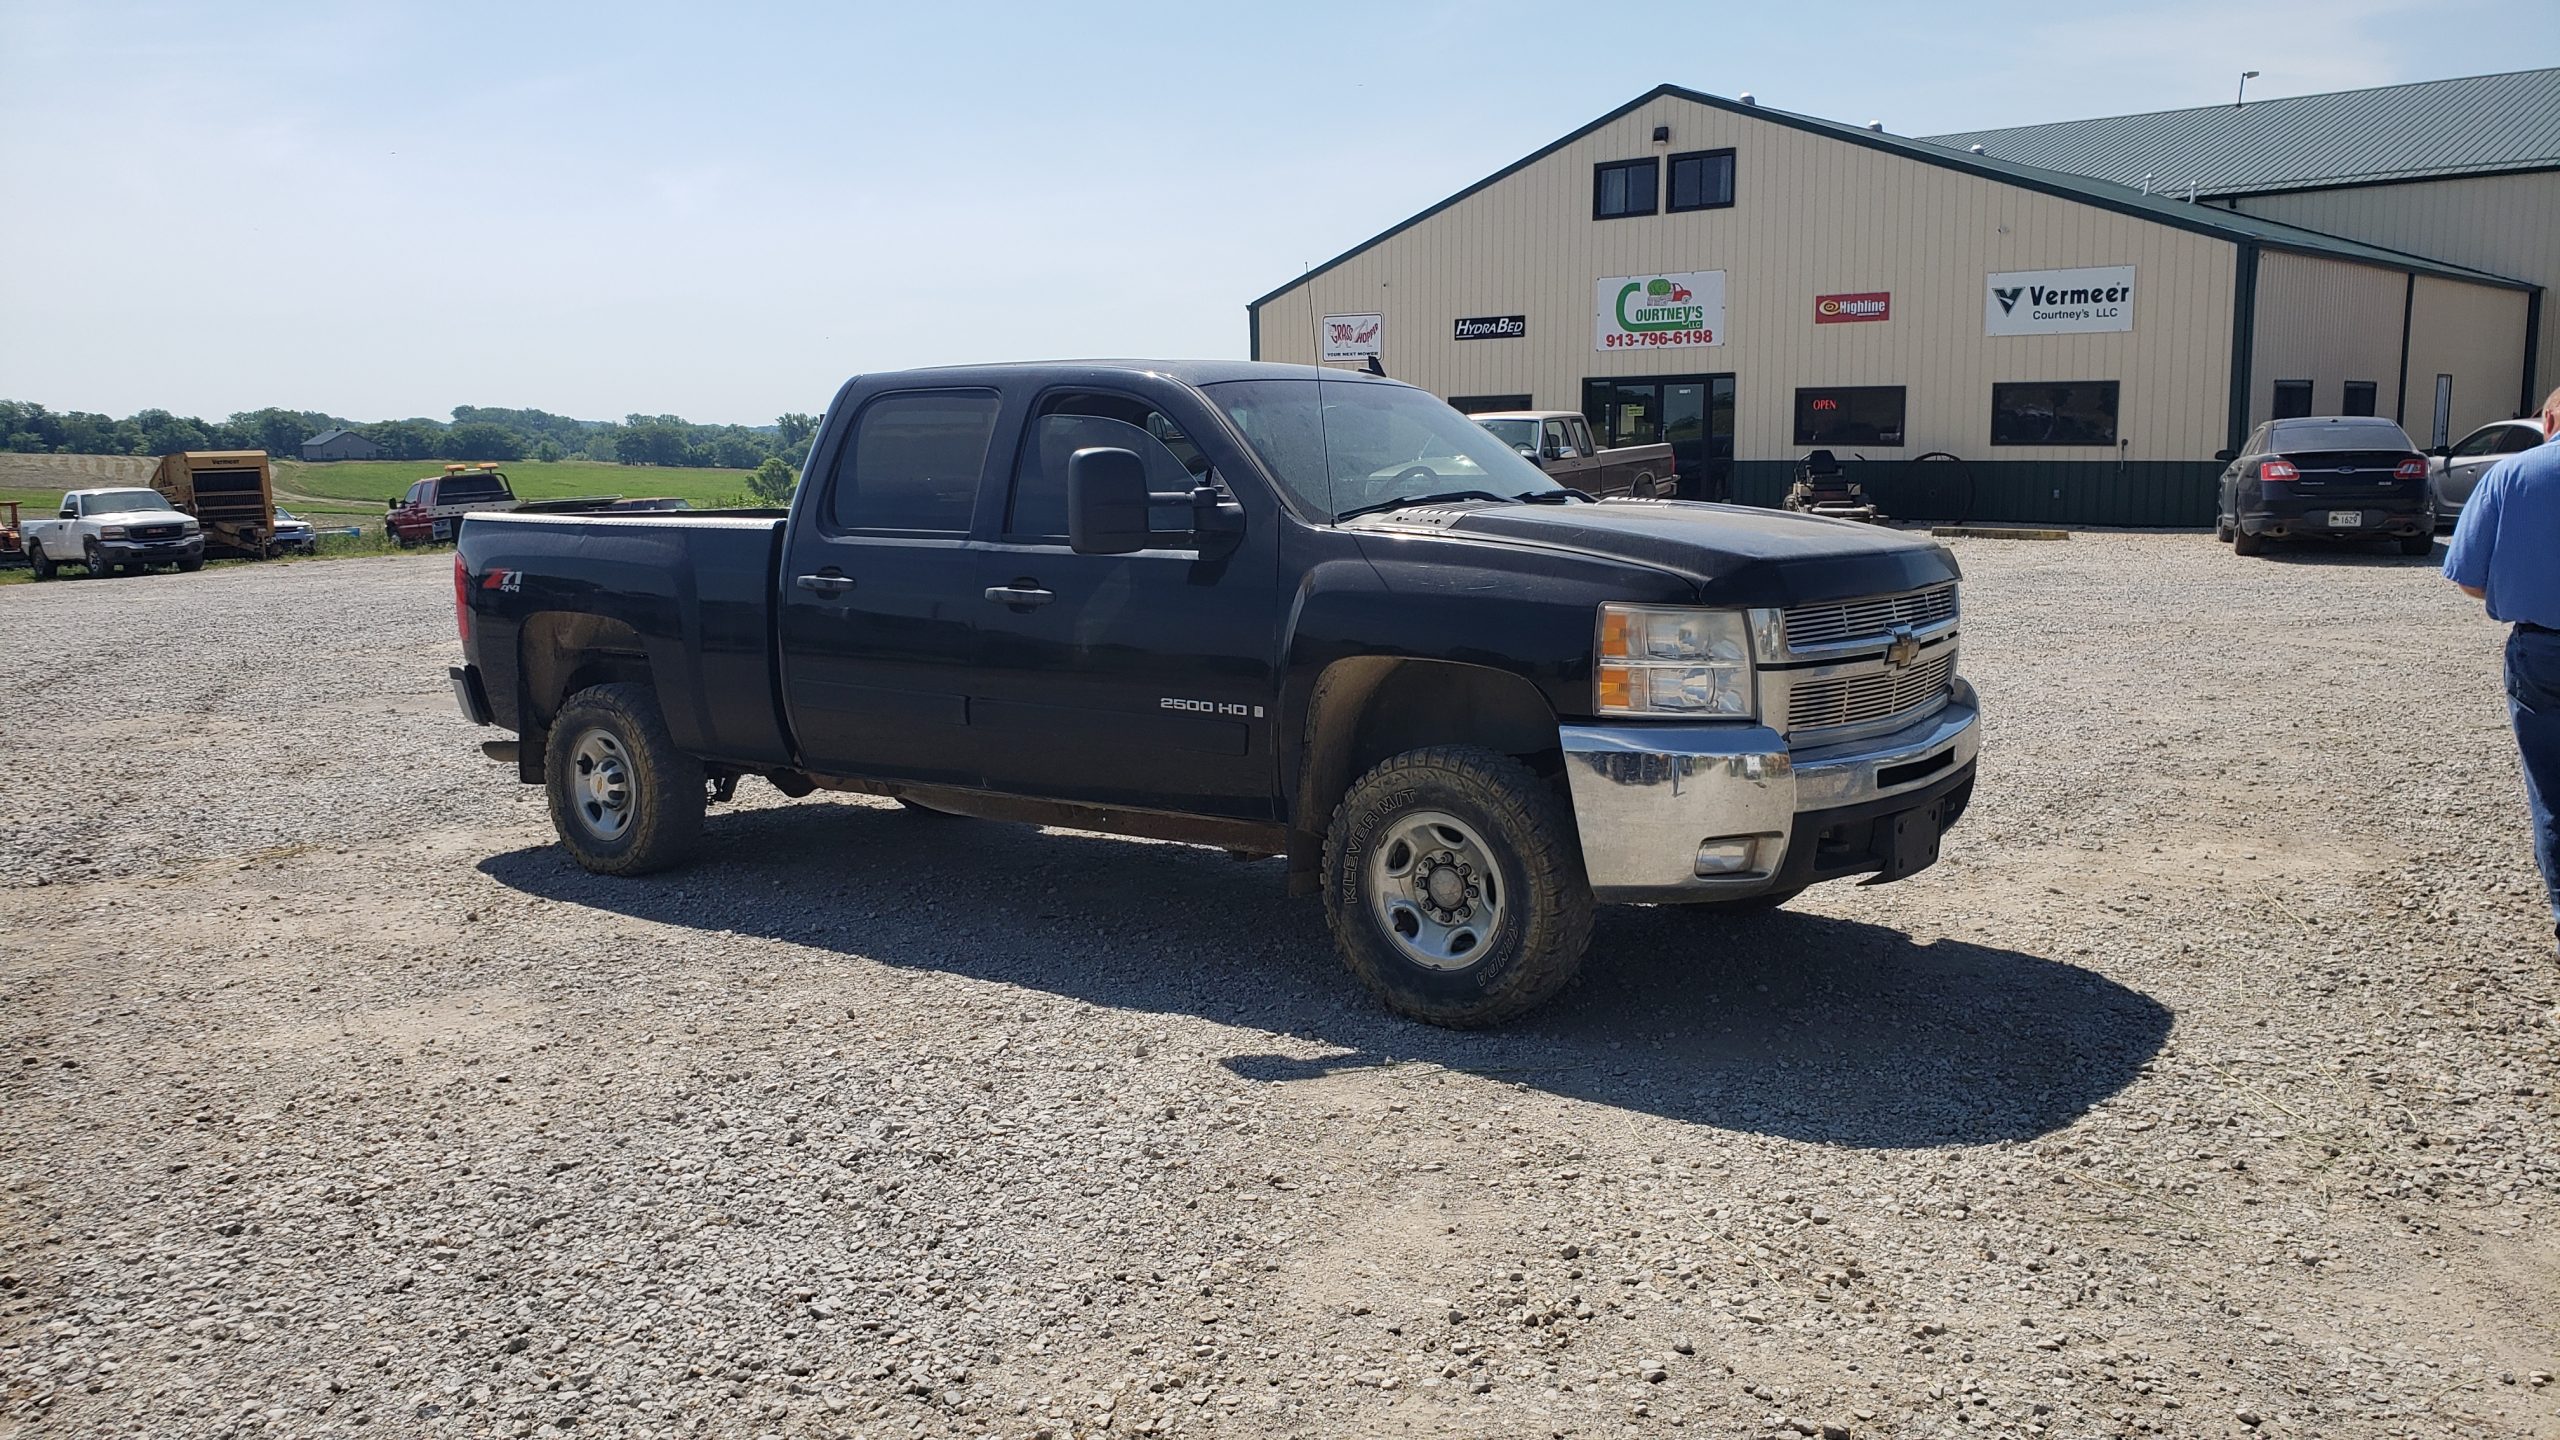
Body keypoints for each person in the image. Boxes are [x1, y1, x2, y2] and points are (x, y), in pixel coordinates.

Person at [2444, 386, 2560, 953]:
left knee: (2553, 787)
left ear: (2550, 418)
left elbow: (2469, 578)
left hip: (2542, 652)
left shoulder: (2511, 476)